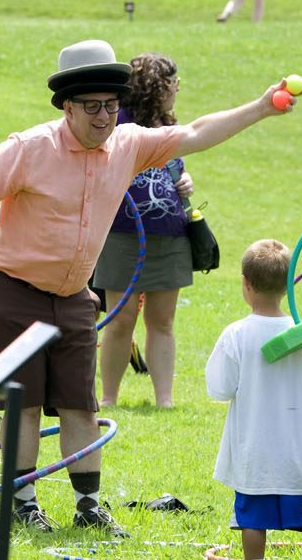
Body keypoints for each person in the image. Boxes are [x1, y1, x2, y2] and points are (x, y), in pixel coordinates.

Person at [0, 39, 297, 537]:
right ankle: (23, 504)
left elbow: (194, 132)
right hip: (14, 288)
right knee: (21, 403)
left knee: (80, 403)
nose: (104, 116)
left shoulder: (128, 144)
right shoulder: (31, 147)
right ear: (67, 107)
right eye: (92, 107)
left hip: (73, 297)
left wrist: (261, 107)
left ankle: (88, 506)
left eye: (111, 104)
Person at [205, 239, 302, 560]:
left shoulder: (236, 334)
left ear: (245, 284)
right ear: (288, 287)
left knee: (253, 520)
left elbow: (219, 388)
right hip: (297, 452)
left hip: (254, 453)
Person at [95, 53, 196, 409]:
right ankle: (108, 398)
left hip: (170, 233)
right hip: (123, 234)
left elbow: (175, 168)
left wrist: (184, 181)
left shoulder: (168, 122)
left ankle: (163, 400)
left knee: (162, 321)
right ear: (157, 85)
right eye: (173, 83)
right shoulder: (119, 123)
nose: (178, 89)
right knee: (120, 319)